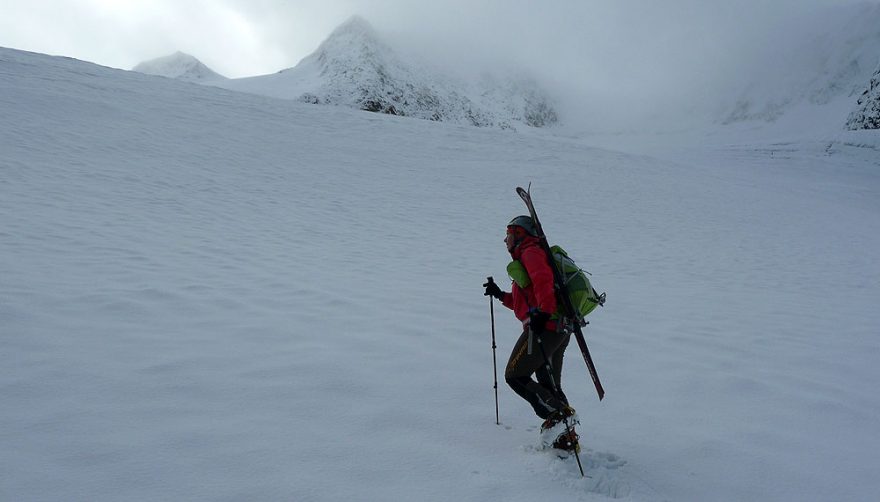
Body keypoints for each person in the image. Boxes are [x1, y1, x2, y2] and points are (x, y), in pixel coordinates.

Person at [484, 215, 579, 452]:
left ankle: (559, 417)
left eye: (508, 234)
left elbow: (543, 281)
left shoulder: (530, 252)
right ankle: (566, 442)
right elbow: (527, 300)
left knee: (515, 375)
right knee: (550, 386)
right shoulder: (529, 255)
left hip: (545, 329)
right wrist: (501, 295)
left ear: (519, 234)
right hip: (557, 329)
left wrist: (543, 314)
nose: (504, 240)